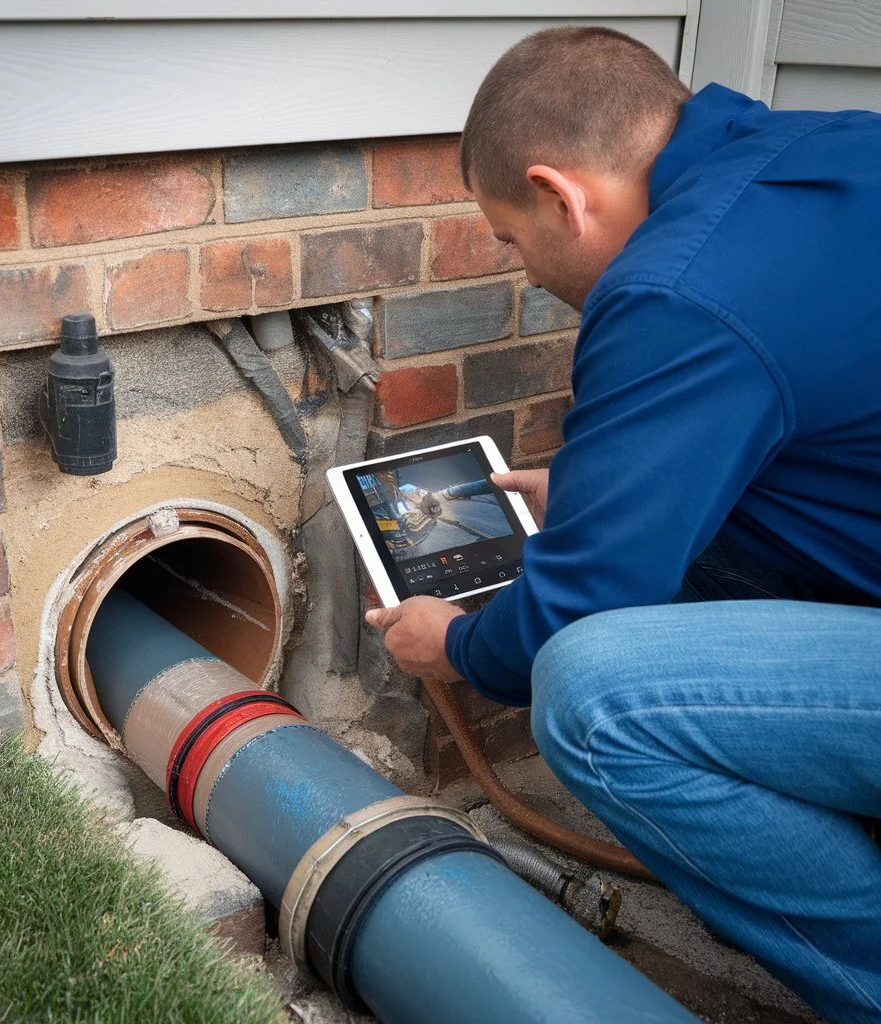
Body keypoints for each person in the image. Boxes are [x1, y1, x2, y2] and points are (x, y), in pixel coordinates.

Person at [365, 26, 881, 1023]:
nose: (520, 267)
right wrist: (614, 496)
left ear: (561, 194)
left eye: (511, 238)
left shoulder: (672, 291)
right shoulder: (832, 148)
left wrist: (461, 643)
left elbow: (579, 609)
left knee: (590, 698)